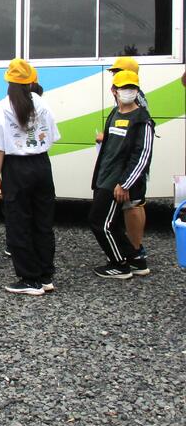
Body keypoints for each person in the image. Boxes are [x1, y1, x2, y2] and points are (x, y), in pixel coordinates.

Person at [0, 59, 61, 296]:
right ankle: (45, 275)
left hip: (16, 168)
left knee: (19, 223)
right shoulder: (42, 103)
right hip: (42, 165)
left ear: (8, 81)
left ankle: (29, 278)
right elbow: (52, 136)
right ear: (30, 81)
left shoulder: (2, 107)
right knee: (43, 222)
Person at [89, 70, 154, 279]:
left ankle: (120, 265)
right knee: (112, 224)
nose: (128, 91)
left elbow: (142, 156)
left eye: (132, 88)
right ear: (114, 90)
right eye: (123, 88)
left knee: (100, 223)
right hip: (104, 178)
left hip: (117, 183)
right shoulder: (114, 113)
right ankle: (136, 260)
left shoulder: (143, 120)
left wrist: (125, 183)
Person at [102, 56, 148, 258]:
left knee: (133, 203)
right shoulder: (124, 98)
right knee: (135, 203)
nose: (113, 75)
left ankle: (136, 250)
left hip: (131, 163)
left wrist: (127, 179)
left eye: (116, 72)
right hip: (126, 162)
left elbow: (137, 137)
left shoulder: (136, 100)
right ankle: (134, 247)